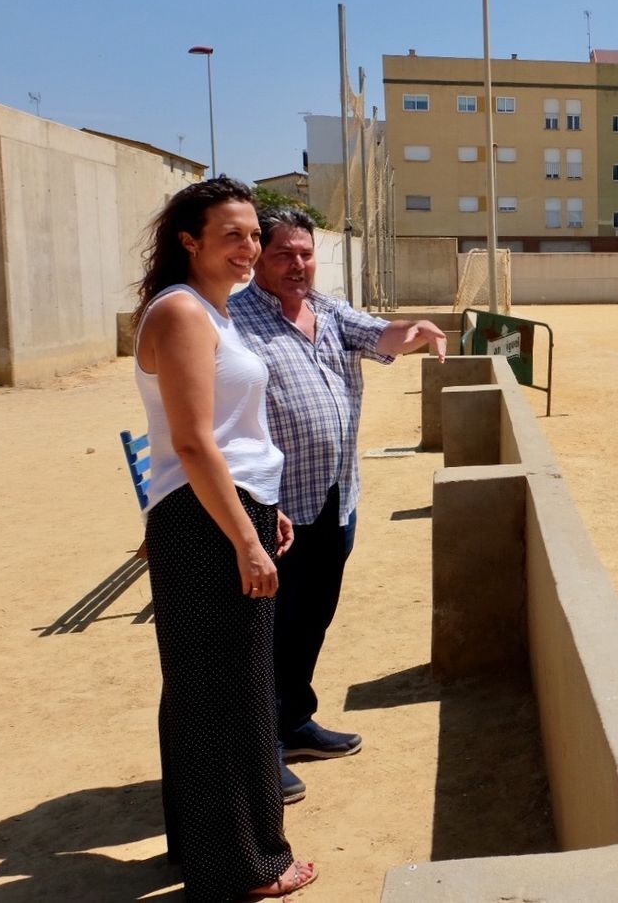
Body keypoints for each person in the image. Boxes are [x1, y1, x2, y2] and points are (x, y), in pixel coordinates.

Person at [131, 177, 318, 901]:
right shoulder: (182, 312)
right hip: (205, 520)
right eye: (232, 235)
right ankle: (245, 866)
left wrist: (260, 504)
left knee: (204, 687)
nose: (250, 249)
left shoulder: (217, 310)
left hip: (225, 506)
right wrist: (244, 537)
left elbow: (232, 435)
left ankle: (204, 848)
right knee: (229, 693)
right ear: (190, 241)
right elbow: (193, 442)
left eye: (253, 235)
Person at [230, 206, 446, 803]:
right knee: (267, 630)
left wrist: (414, 331)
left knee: (311, 618)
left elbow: (380, 335)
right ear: (258, 258)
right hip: (273, 507)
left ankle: (294, 720)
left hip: (334, 494)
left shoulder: (326, 311)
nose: (298, 264)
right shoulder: (234, 321)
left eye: (304, 253)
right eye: (283, 254)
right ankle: (261, 751)